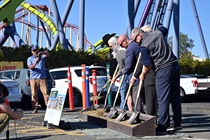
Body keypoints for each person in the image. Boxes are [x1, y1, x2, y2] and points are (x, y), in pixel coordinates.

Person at [137, 26, 182, 134]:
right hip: (175, 65)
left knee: (162, 98)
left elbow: (148, 64)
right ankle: (177, 122)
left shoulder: (143, 46)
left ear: (140, 35)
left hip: (163, 69)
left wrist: (143, 74)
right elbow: (164, 29)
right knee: (175, 96)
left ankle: (162, 125)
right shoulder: (158, 33)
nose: (136, 42)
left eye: (135, 39)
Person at [130, 25, 157, 116]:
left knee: (151, 101)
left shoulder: (145, 45)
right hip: (155, 74)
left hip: (151, 76)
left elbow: (144, 63)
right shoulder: (156, 41)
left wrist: (142, 73)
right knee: (156, 100)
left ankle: (152, 119)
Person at [117, 34, 144, 113]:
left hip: (135, 77)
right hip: (134, 76)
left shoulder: (130, 48)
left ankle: (139, 114)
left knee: (136, 97)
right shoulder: (135, 45)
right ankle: (137, 113)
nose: (122, 47)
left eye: (121, 44)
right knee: (131, 95)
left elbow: (128, 65)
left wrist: (123, 71)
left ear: (125, 40)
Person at [107, 36, 131, 110]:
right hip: (126, 73)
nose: (111, 48)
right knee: (127, 92)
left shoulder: (120, 53)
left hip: (125, 74)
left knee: (123, 91)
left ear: (115, 44)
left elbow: (121, 69)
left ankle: (123, 108)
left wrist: (115, 77)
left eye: (111, 46)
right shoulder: (121, 51)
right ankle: (125, 107)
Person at [27, 45, 50, 114]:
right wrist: (36, 62)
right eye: (34, 51)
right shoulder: (30, 59)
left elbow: (47, 54)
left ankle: (48, 107)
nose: (35, 52)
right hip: (33, 78)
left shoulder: (42, 57)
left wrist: (42, 53)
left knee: (45, 92)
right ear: (31, 52)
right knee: (34, 94)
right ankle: (35, 108)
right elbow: (30, 67)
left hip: (42, 78)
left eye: (36, 50)